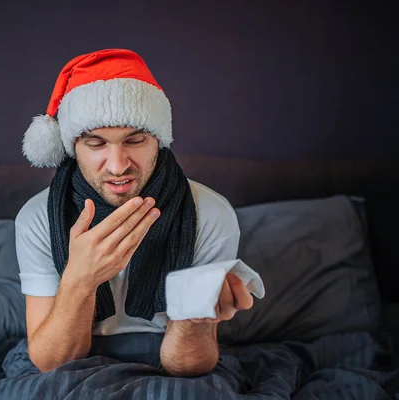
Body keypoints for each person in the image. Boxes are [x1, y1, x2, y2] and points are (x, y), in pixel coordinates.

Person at [15, 49, 254, 377]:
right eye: (96, 144)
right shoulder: (38, 218)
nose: (117, 166)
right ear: (72, 148)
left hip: (167, 356)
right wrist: (80, 277)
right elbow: (53, 363)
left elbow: (185, 367)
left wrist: (195, 321)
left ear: (159, 140)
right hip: (73, 359)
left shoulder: (209, 214)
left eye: (135, 140)